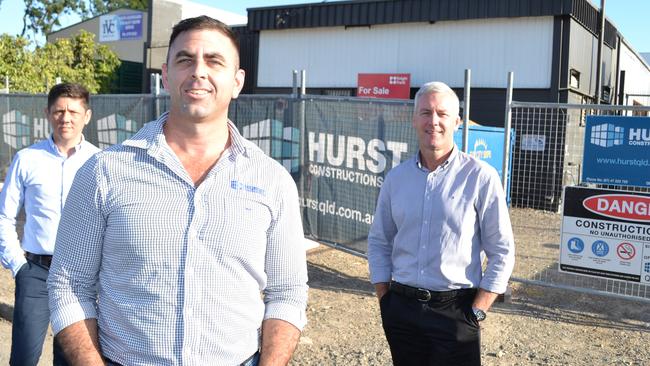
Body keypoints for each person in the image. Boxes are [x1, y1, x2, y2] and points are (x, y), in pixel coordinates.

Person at [47, 16, 308, 366]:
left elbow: (287, 292)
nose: (198, 71)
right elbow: (69, 284)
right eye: (185, 60)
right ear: (166, 75)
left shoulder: (272, 181)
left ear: (237, 81)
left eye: (214, 61)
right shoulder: (105, 171)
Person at [367, 81, 515, 366]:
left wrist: (477, 312)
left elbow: (502, 251)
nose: (433, 121)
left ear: (457, 122)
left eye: (442, 114)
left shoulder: (481, 177)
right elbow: (379, 241)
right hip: (402, 308)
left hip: (456, 313)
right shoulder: (396, 179)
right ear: (414, 119)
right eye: (425, 112)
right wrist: (385, 300)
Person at [0, 82, 100, 366]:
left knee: (71, 357)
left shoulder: (99, 162)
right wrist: (18, 265)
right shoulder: (27, 159)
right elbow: (4, 215)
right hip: (35, 271)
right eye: (58, 111)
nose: (65, 118)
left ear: (87, 115)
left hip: (81, 276)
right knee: (23, 357)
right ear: (48, 113)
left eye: (73, 111)